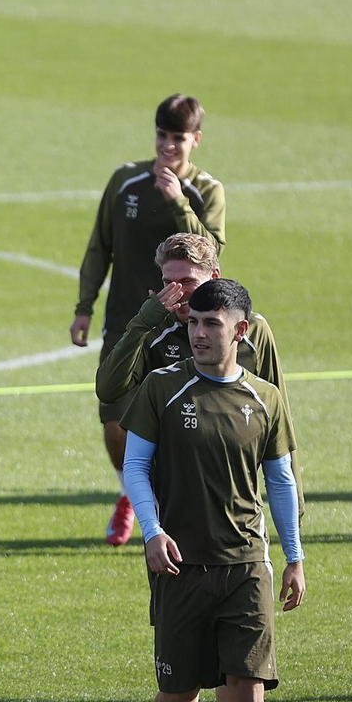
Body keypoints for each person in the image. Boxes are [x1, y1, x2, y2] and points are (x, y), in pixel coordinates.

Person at [97, 232, 295, 702]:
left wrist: (291, 506)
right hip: (171, 515)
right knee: (183, 657)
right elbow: (108, 388)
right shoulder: (159, 329)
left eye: (185, 280)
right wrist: (144, 320)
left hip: (238, 522)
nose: (175, 292)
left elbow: (277, 423)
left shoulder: (253, 333)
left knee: (241, 662)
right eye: (166, 281)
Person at [72, 94, 225, 547]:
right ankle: (131, 494)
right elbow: (100, 246)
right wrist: (84, 307)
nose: (168, 146)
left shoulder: (207, 191)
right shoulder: (124, 181)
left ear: (195, 139)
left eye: (178, 138)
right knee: (114, 422)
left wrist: (179, 202)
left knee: (183, 420)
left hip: (189, 326)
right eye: (162, 136)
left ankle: (165, 510)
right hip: (128, 321)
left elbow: (214, 255)